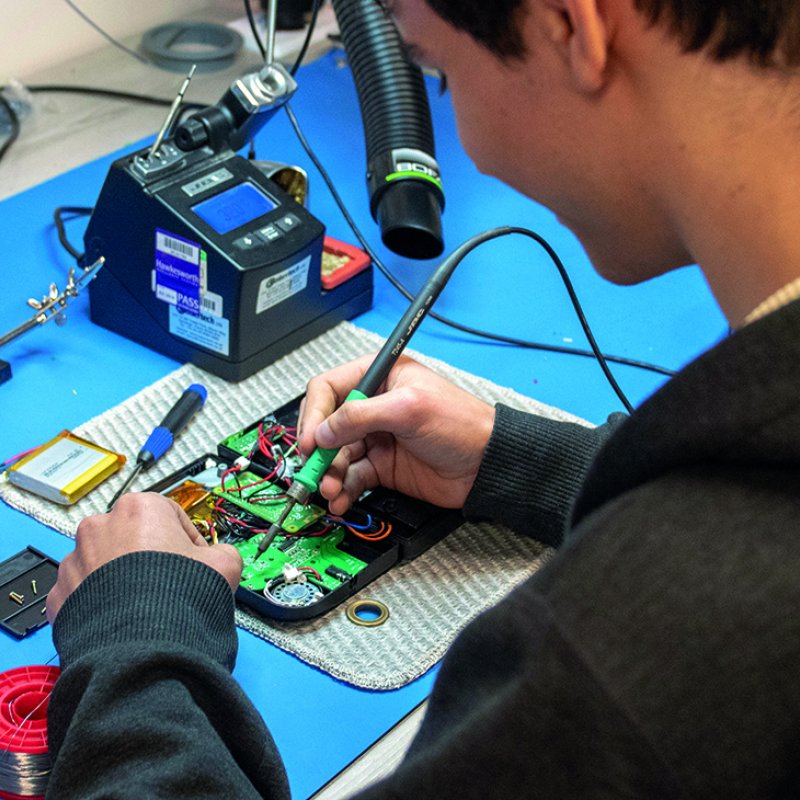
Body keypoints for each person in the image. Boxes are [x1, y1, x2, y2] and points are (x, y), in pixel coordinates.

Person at [44, 0, 800, 796]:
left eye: (436, 74)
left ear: (573, 28)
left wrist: (133, 638)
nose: (459, 139)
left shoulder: (631, 658)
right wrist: (526, 462)